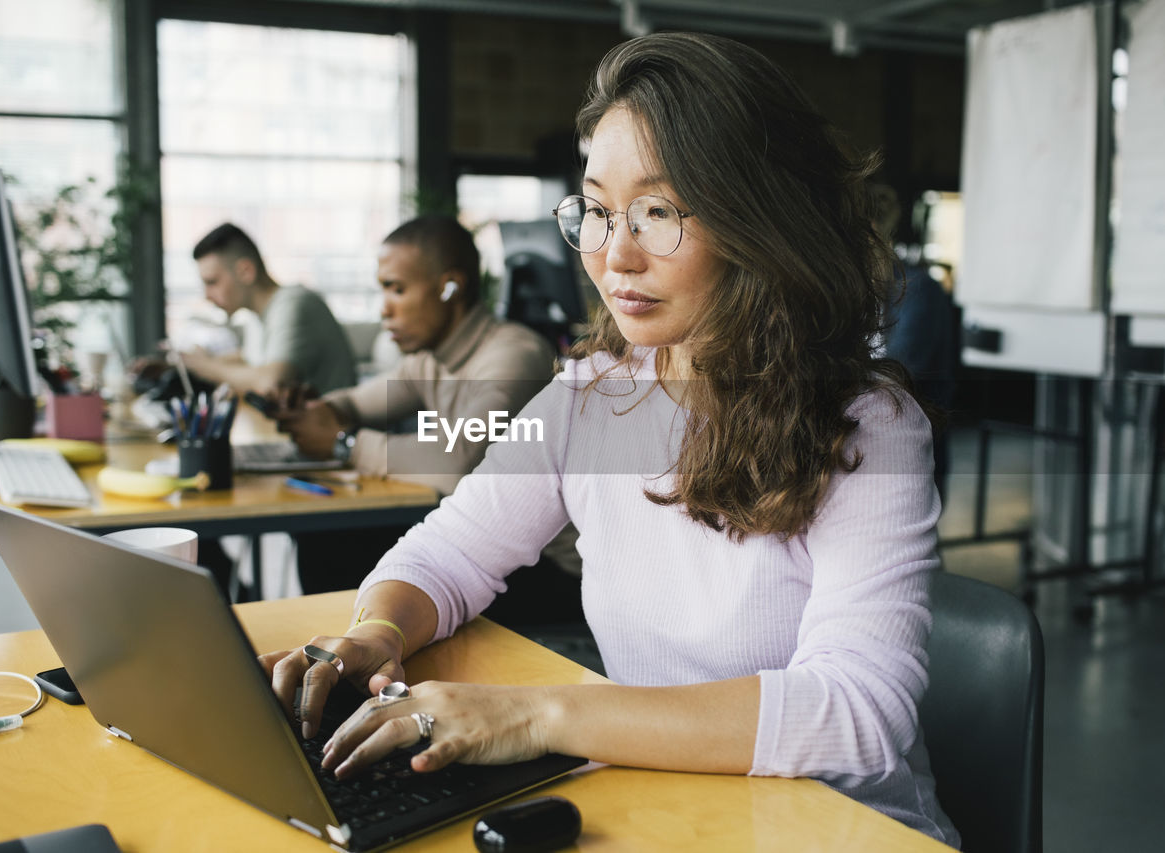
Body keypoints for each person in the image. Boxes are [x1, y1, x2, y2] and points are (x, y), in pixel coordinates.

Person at [261, 32, 959, 847]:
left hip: (834, 827)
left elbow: (858, 714)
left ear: (760, 221)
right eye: (596, 210)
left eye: (658, 212)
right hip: (669, 809)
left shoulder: (866, 424)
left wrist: (543, 712)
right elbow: (446, 554)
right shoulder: (590, 396)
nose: (613, 253)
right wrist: (377, 634)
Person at [274, 215, 573, 604]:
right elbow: (356, 402)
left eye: (396, 290)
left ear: (451, 287)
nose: (384, 311)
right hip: (490, 547)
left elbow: (461, 460)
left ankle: (356, 658)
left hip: (550, 565)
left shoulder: (515, 355)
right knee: (328, 541)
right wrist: (316, 408)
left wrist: (341, 444)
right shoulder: (428, 359)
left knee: (339, 550)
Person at [177, 223, 357, 398]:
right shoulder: (257, 316)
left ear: (246, 272)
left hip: (333, 426)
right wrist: (182, 362)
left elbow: (270, 382)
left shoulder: (294, 303)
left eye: (212, 282)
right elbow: (249, 360)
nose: (207, 295)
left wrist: (204, 367)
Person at [869, 183, 956, 497]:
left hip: (904, 454)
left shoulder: (917, 289)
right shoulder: (850, 294)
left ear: (875, 230)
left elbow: (901, 374)